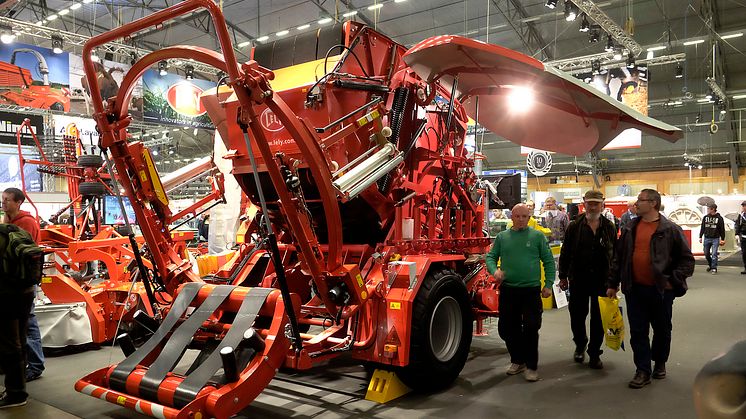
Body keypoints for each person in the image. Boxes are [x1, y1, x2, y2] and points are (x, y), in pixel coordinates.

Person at [607, 188, 694, 389]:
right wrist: (612, 283)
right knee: (638, 331)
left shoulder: (670, 229)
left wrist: (672, 280)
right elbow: (618, 258)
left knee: (662, 329)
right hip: (634, 289)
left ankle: (660, 362)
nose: (636, 203)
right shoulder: (630, 228)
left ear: (653, 203)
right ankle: (642, 370)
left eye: (640, 200)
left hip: (661, 290)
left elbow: (687, 260)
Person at [485, 203, 554, 382]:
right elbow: (491, 257)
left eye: (525, 216)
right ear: (512, 217)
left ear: (529, 217)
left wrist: (548, 284)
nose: (521, 219)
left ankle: (531, 366)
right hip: (509, 290)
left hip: (531, 291)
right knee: (507, 328)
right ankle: (518, 360)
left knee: (531, 327)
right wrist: (494, 271)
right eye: (518, 216)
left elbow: (548, 261)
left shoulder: (538, 237)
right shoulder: (502, 237)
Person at [558, 190, 617, 369]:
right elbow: (565, 252)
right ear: (584, 203)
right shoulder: (574, 226)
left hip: (602, 280)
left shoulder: (609, 227)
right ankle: (580, 343)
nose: (592, 206)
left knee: (599, 319)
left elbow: (615, 255)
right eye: (589, 203)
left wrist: (614, 281)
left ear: (602, 204)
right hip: (578, 279)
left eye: (596, 203)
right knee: (577, 316)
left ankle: (594, 353)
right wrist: (562, 276)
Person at [0, 188, 41, 408]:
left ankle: (19, 387)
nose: (3, 203)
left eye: (7, 200)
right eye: (2, 199)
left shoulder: (27, 223)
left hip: (13, 290)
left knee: (19, 336)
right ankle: (21, 378)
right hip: (21, 290)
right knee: (20, 335)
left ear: (18, 202)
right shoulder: (8, 222)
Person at [699, 203, 725, 275]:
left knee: (714, 254)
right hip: (707, 238)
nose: (707, 210)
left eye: (708, 208)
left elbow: (722, 229)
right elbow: (702, 227)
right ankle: (711, 265)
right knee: (706, 253)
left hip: (715, 239)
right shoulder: (705, 217)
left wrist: (722, 239)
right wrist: (700, 236)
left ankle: (714, 268)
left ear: (713, 209)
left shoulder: (719, 218)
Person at [734, 201, 746, 275]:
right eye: (743, 206)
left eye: (745, 206)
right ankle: (745, 267)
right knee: (744, 253)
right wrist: (736, 234)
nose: (744, 207)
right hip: (743, 237)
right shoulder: (741, 216)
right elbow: (737, 225)